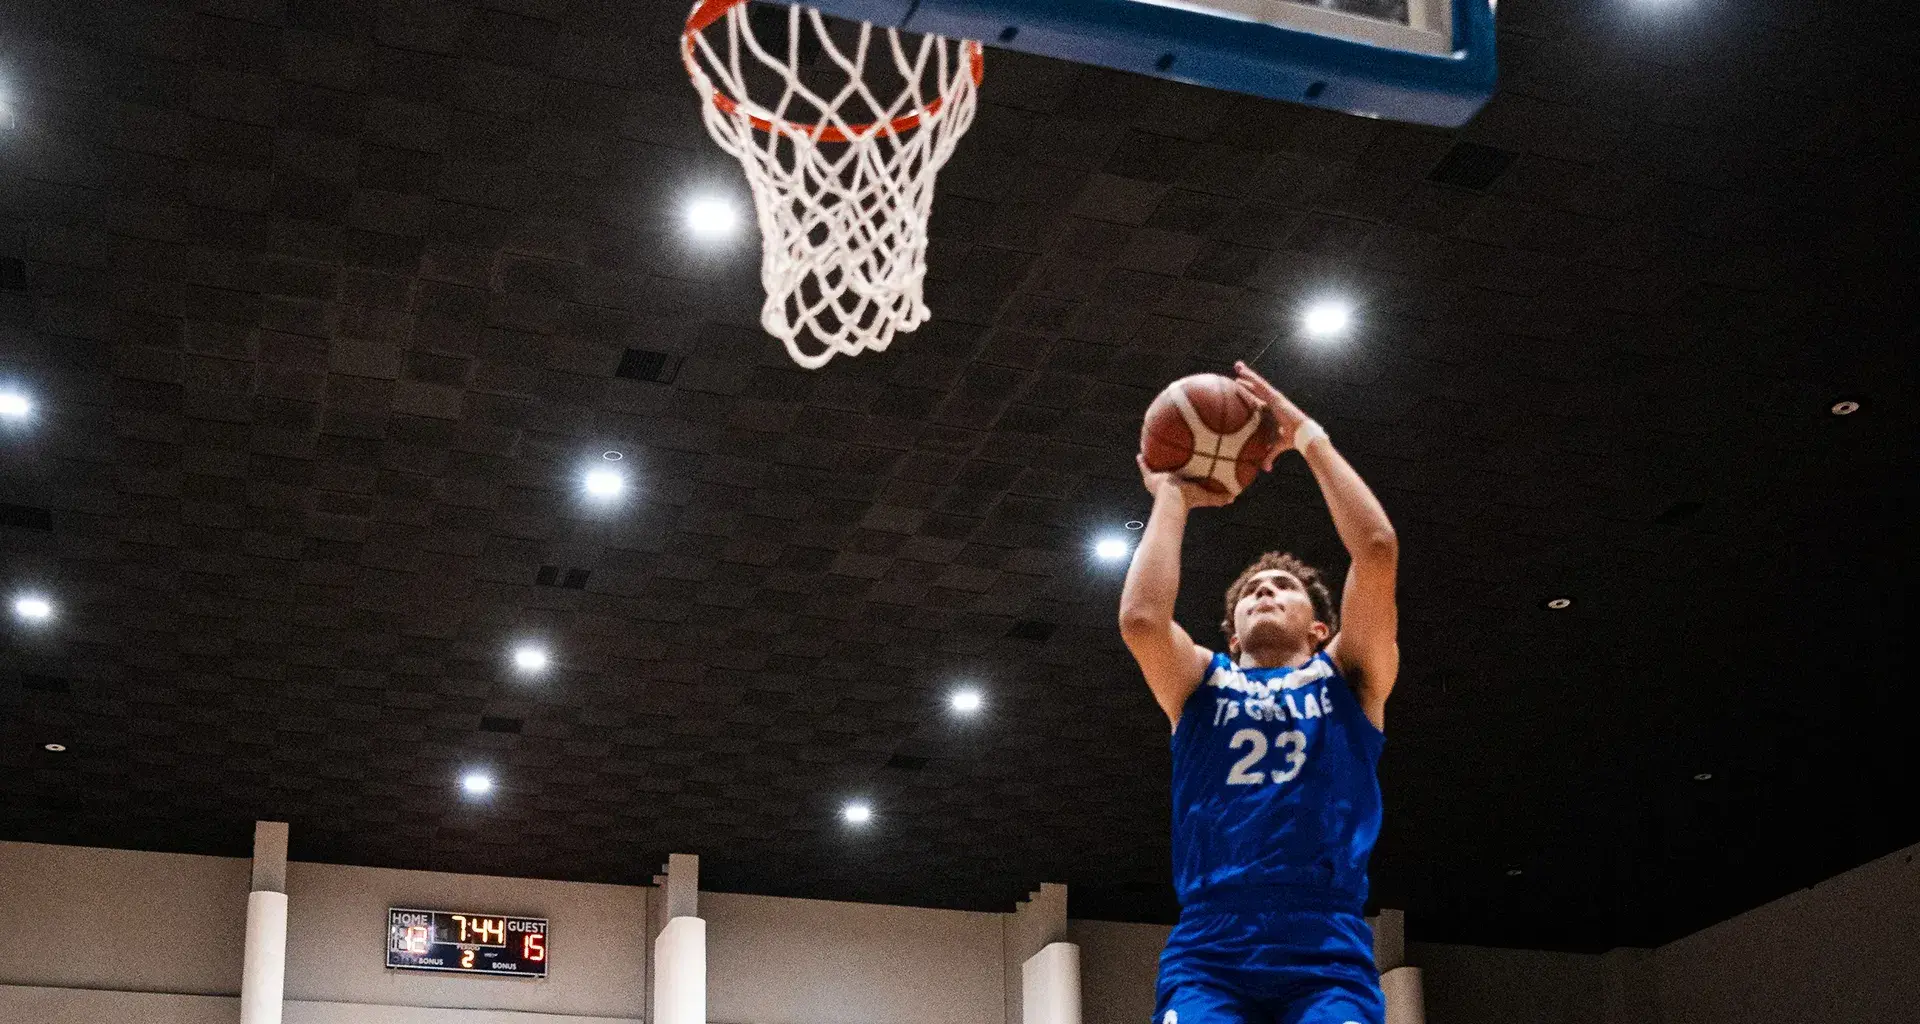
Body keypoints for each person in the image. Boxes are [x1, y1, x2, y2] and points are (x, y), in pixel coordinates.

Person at [1119, 361, 1400, 1024]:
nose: (1265, 591)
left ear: (1321, 626)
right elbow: (1141, 621)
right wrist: (1171, 495)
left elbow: (1377, 548)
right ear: (1231, 631)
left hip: (1325, 941)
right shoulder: (1201, 682)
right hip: (1211, 944)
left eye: (1284, 588)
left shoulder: (1349, 676)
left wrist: (1309, 438)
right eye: (1251, 592)